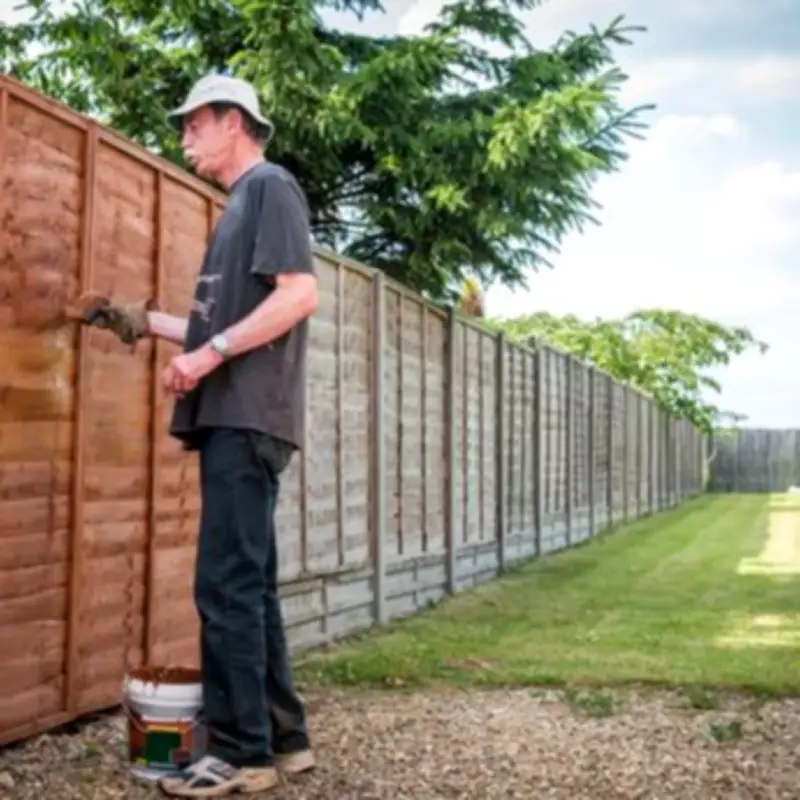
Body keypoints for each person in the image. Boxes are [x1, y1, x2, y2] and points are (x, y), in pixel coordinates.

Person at [78, 74, 319, 797]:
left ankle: (240, 755)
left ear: (233, 123)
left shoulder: (268, 188)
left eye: (194, 124)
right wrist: (147, 324)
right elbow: (220, 328)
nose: (184, 137)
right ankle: (284, 738)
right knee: (251, 588)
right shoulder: (241, 205)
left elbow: (300, 294)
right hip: (242, 416)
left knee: (223, 588)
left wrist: (207, 357)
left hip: (245, 417)